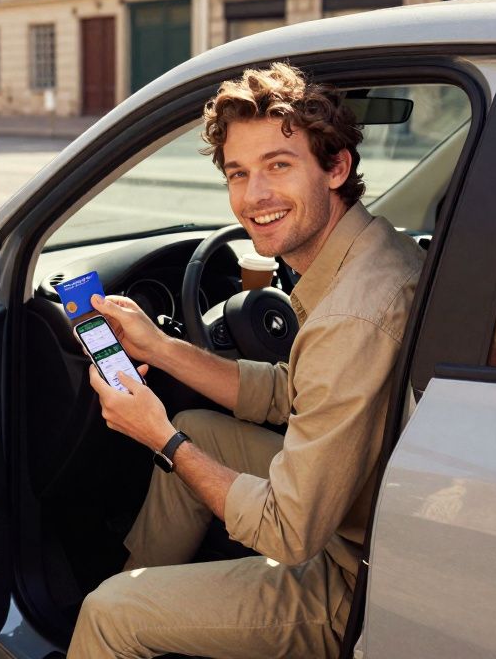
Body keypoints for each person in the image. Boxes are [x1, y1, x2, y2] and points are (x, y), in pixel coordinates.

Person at [69, 63, 425, 658]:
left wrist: (157, 437)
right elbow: (291, 393)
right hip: (366, 511)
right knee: (199, 429)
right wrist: (160, 347)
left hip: (355, 584)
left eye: (279, 166)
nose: (254, 196)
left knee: (109, 613)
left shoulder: (350, 318)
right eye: (239, 173)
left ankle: (119, 623)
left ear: (337, 167)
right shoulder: (372, 250)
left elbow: (289, 532)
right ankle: (144, 595)